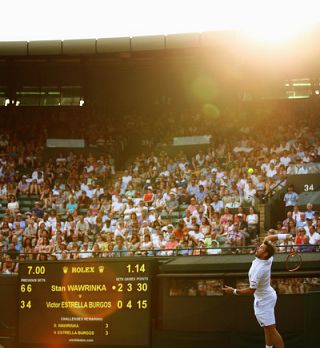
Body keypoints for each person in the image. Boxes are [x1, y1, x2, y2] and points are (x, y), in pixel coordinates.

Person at [222, 234, 291, 348]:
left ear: (265, 254)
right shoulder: (267, 258)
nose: (258, 247)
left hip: (264, 300)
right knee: (267, 327)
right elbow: (268, 238)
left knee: (271, 329)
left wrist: (234, 291)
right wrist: (284, 236)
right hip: (266, 296)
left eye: (261, 248)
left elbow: (250, 291)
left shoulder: (259, 270)